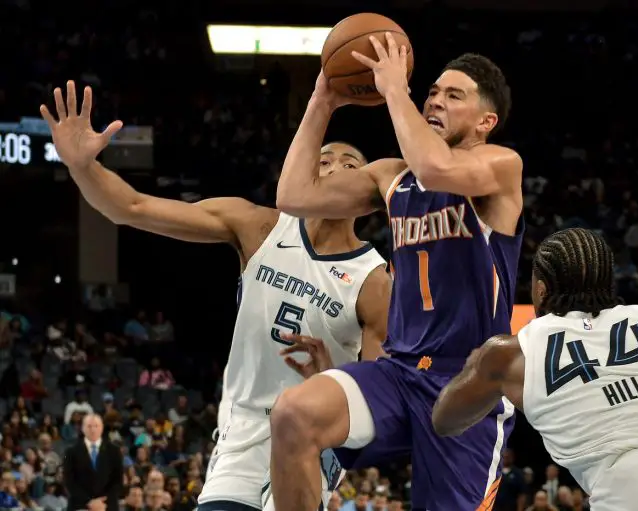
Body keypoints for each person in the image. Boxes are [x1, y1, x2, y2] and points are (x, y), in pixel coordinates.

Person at [40, 81, 391, 511]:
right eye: (323, 160)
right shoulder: (258, 227)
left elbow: (378, 405)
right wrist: (82, 167)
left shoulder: (374, 280)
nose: (334, 168)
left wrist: (333, 377)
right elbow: (131, 207)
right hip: (241, 437)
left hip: (313, 441)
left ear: (366, 196)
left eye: (350, 164)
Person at [270, 34, 524, 511]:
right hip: (400, 371)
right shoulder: (391, 176)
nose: (435, 101)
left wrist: (393, 90)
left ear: (486, 121)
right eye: (432, 92)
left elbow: (435, 168)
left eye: (454, 95)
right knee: (294, 413)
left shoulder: (500, 165)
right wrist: (322, 101)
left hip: (467, 386)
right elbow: (293, 195)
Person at [432, 228, 638, 511]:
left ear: (541, 290)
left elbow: (445, 420)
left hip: (637, 488)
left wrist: (475, 365)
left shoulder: (510, 354)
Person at [63, 414, 123, 511]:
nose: (93, 430)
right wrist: (89, 502)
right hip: (79, 506)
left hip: (107, 506)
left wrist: (102, 502)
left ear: (102, 428)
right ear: (82, 428)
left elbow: (118, 481)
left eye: (96, 426)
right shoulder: (70, 452)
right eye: (89, 426)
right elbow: (69, 481)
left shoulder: (114, 451)